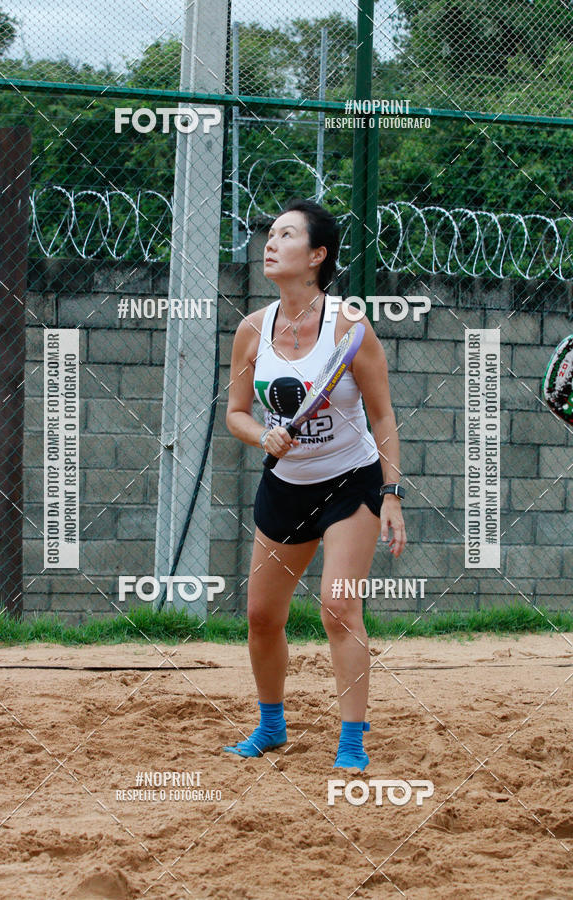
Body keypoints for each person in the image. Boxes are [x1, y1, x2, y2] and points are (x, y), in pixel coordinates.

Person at [223, 198, 406, 770]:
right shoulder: (252, 330)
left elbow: (382, 417)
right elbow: (235, 413)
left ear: (317, 255)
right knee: (261, 616)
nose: (269, 245)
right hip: (286, 486)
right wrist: (262, 437)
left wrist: (392, 494)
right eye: (269, 235)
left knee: (337, 607)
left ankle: (352, 741)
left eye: (285, 236)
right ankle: (271, 727)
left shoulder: (350, 328)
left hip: (350, 484)